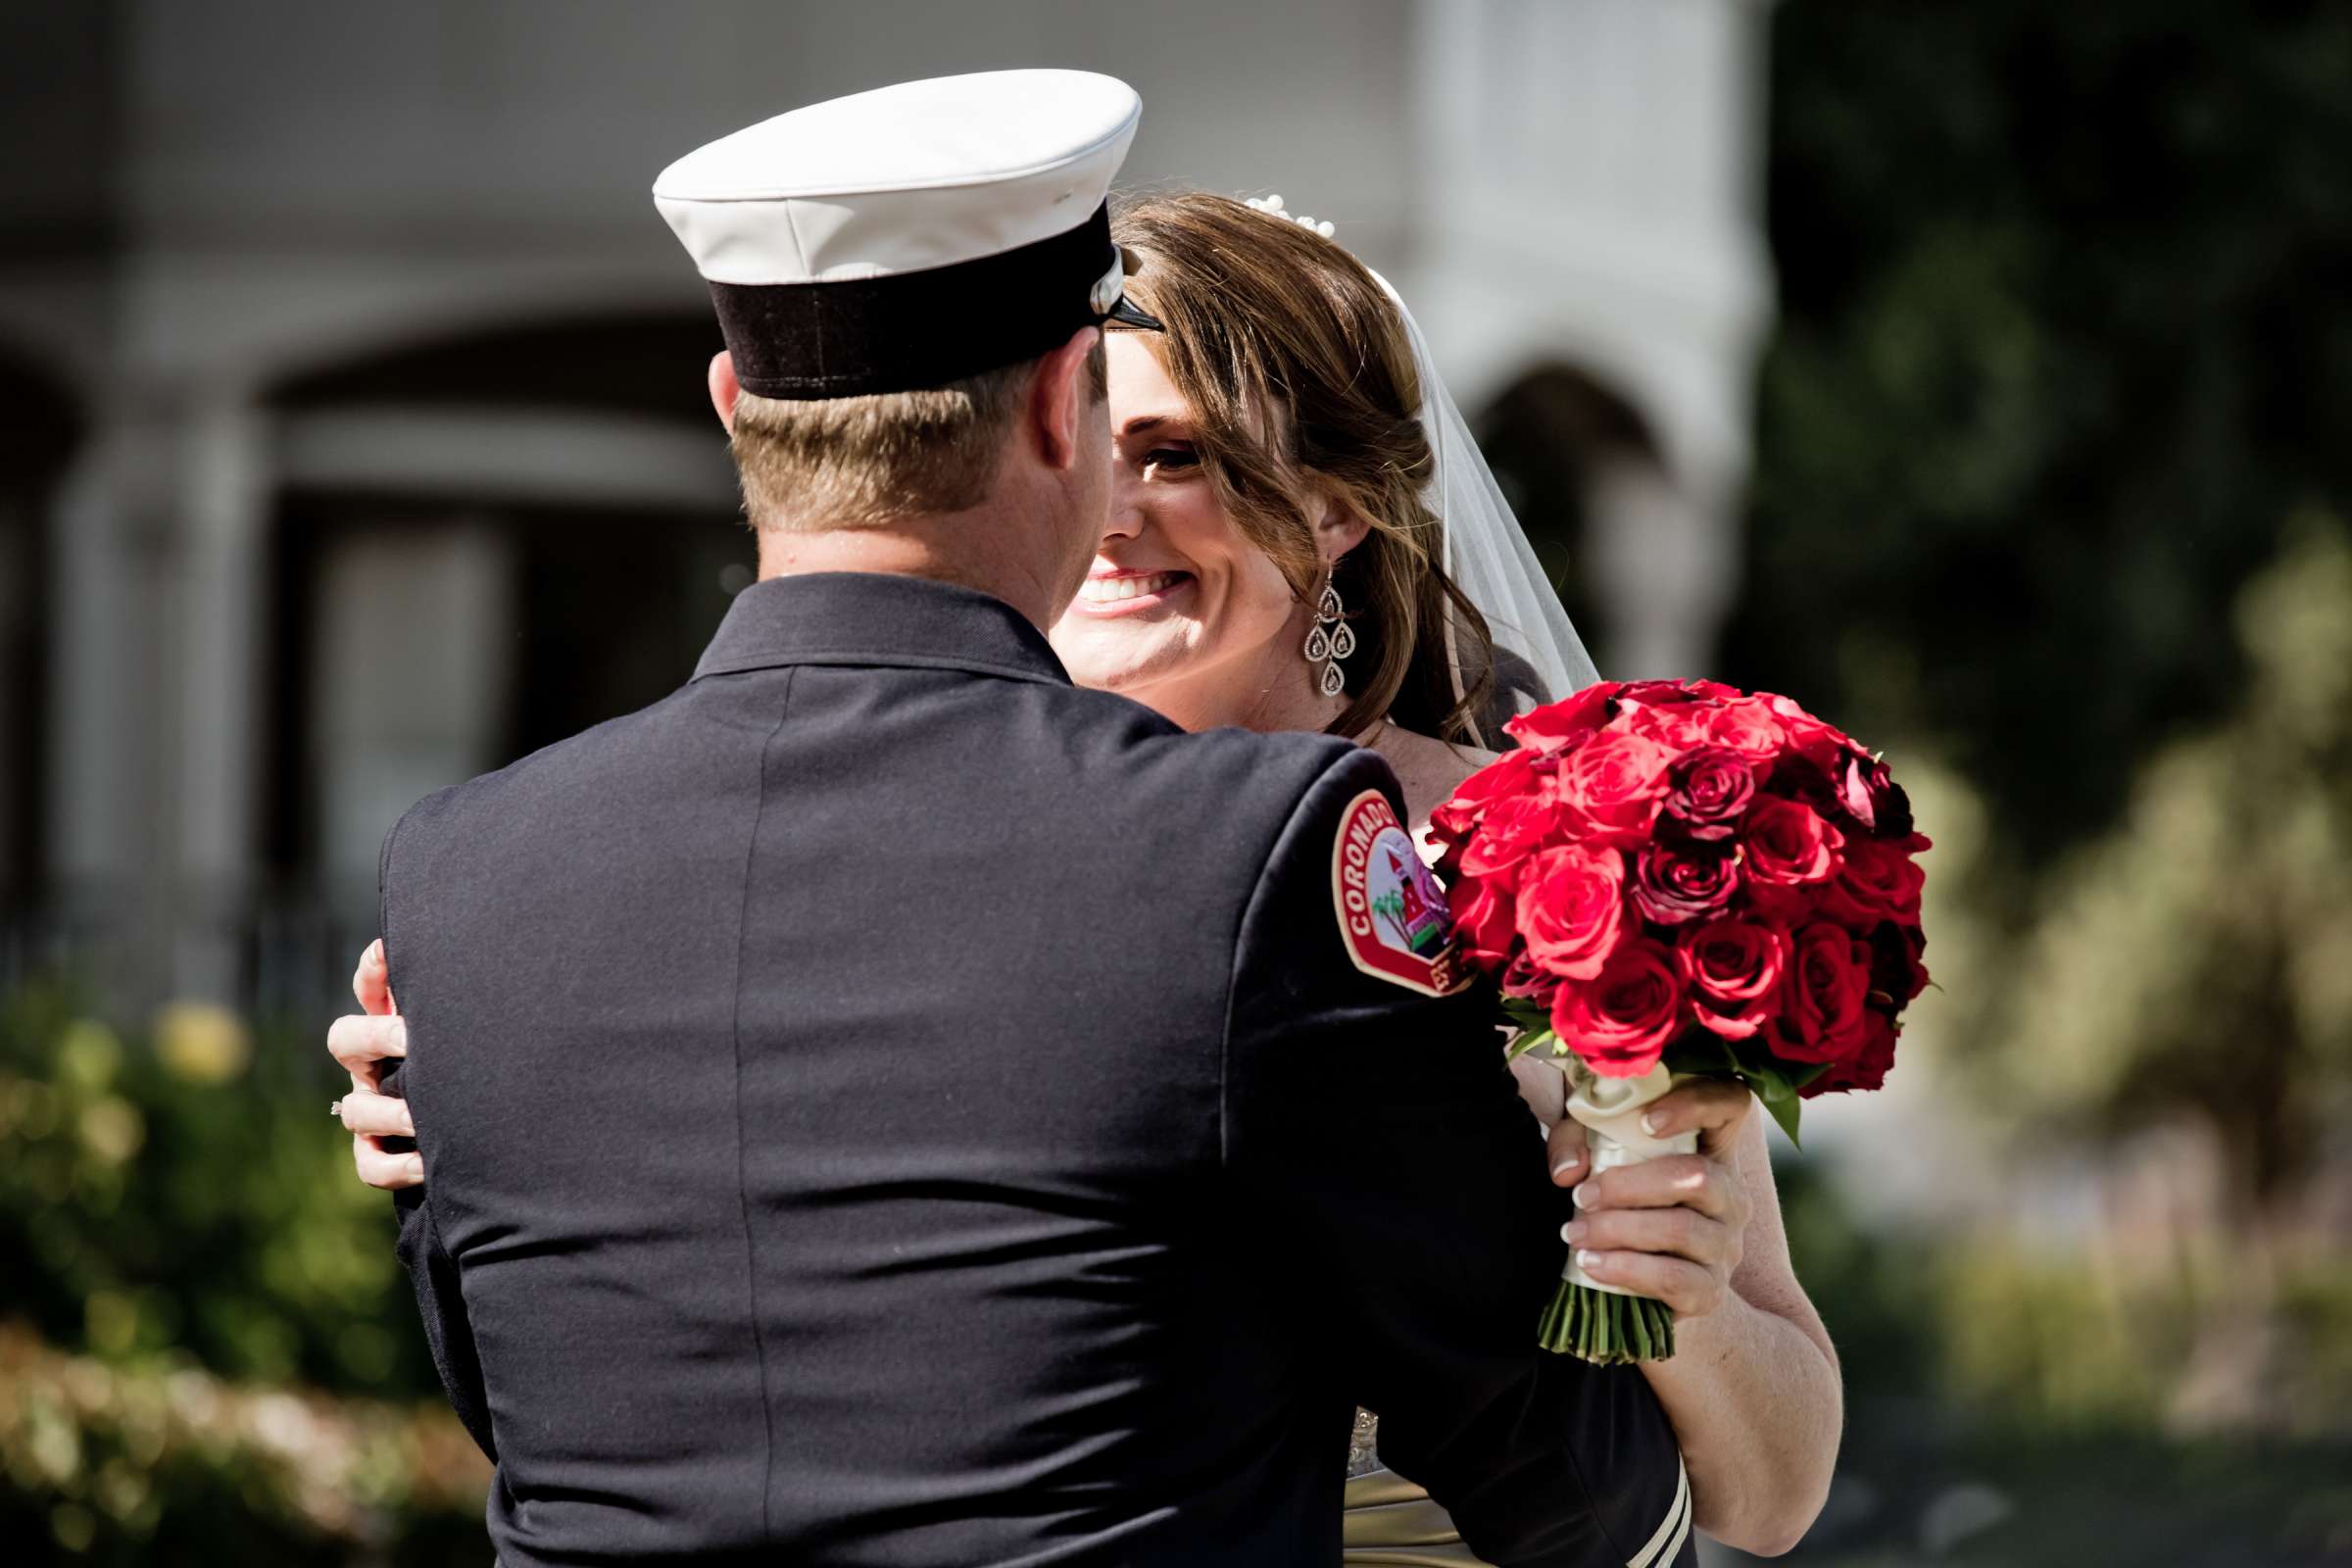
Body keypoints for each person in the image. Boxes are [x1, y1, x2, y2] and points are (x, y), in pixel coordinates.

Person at [331, 174, 1843, 1564]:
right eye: (1096, 451)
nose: (1114, 517)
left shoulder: (1577, 851)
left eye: (1179, 456)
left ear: (1336, 503)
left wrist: (1681, 1302)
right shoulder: (929, 835)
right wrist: (485, 1077)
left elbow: (1771, 1496)